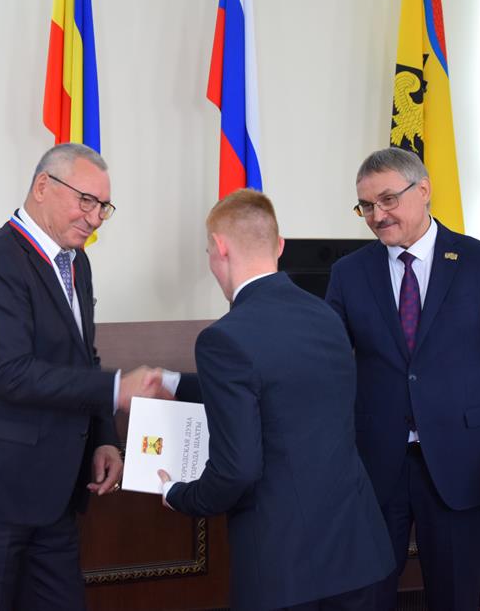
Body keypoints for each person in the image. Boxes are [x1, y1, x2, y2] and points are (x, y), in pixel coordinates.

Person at [0, 143, 163, 611]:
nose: (95, 219)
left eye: (103, 207)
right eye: (86, 201)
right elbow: (11, 374)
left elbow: (82, 357)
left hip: (54, 494)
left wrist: (104, 438)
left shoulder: (77, 263)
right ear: (42, 187)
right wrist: (118, 389)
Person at [325, 148, 480, 610]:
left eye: (387, 200)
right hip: (374, 465)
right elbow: (326, 366)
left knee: (455, 597)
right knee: (363, 598)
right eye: (366, 206)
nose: (377, 216)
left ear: (423, 190)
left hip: (465, 463)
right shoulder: (348, 273)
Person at [158, 189, 394, 610]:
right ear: (280, 246)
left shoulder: (223, 339)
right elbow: (281, 388)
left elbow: (237, 470)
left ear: (220, 248)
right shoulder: (326, 316)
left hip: (285, 568)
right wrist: (172, 383)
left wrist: (180, 494)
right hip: (359, 553)